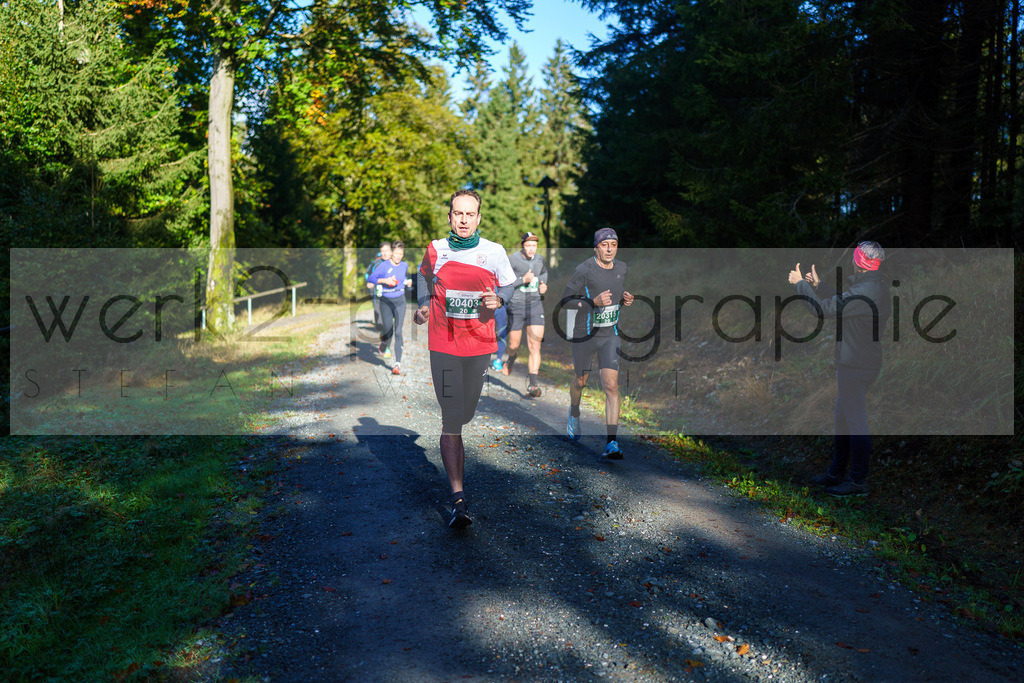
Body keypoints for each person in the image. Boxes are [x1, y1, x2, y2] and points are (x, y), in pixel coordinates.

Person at [413, 189, 515, 528]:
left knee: (467, 410)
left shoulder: (494, 252)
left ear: (478, 218)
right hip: (443, 342)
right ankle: (458, 500)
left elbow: (510, 286)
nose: (463, 220)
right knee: (452, 417)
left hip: (480, 345)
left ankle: (459, 421)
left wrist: (499, 300)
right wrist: (424, 303)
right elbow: (423, 276)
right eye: (458, 213)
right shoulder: (436, 249)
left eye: (470, 214)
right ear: (450, 216)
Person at [788, 241, 891, 496]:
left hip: (854, 365)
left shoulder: (865, 290)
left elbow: (823, 311)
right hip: (864, 362)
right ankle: (836, 472)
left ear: (858, 261)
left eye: (855, 257)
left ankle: (857, 481)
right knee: (842, 417)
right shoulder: (875, 285)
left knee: (855, 421)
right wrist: (818, 286)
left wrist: (800, 284)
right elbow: (845, 302)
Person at [561, 228, 634, 459]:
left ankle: (612, 443)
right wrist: (592, 301)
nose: (610, 248)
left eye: (614, 244)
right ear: (596, 247)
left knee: (611, 386)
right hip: (584, 335)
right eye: (605, 245)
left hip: (609, 334)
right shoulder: (583, 270)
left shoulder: (622, 268)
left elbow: (616, 294)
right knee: (581, 380)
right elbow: (566, 302)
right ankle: (574, 412)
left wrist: (624, 299)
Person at [502, 231, 548, 397]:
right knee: (513, 345)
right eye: (528, 245)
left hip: (535, 305)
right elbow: (503, 282)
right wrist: (523, 280)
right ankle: (511, 358)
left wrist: (543, 285)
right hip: (516, 307)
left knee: (535, 345)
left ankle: (533, 384)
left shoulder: (540, 259)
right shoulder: (513, 259)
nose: (531, 249)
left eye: (534, 245)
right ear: (523, 245)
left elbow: (543, 275)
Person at [367, 241, 412, 375]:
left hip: (400, 301)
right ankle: (383, 345)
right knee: (388, 331)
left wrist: (407, 282)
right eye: (396, 253)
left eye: (401, 254)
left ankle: (397, 364)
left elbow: (402, 278)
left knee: (398, 331)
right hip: (386, 301)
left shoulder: (404, 265)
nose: (399, 256)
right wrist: (385, 281)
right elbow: (371, 278)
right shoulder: (383, 265)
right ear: (392, 252)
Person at [365, 241, 392, 355]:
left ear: (391, 251)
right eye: (382, 251)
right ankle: (382, 332)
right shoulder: (376, 263)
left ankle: (386, 348)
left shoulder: (395, 263)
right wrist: (369, 282)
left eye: (387, 251)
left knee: (389, 324)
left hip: (391, 297)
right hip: (377, 296)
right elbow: (368, 275)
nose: (384, 253)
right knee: (380, 322)